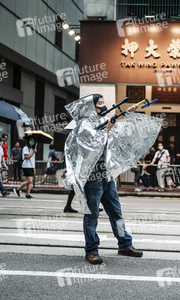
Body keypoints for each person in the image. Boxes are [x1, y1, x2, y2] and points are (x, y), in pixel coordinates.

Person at [76, 94, 143, 264]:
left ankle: (124, 244)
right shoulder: (84, 124)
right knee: (91, 215)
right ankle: (91, 250)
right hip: (93, 176)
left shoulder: (105, 120)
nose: (103, 106)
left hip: (107, 175)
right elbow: (89, 147)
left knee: (116, 212)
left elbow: (119, 136)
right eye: (100, 104)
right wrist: (107, 129)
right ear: (91, 107)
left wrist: (127, 115)